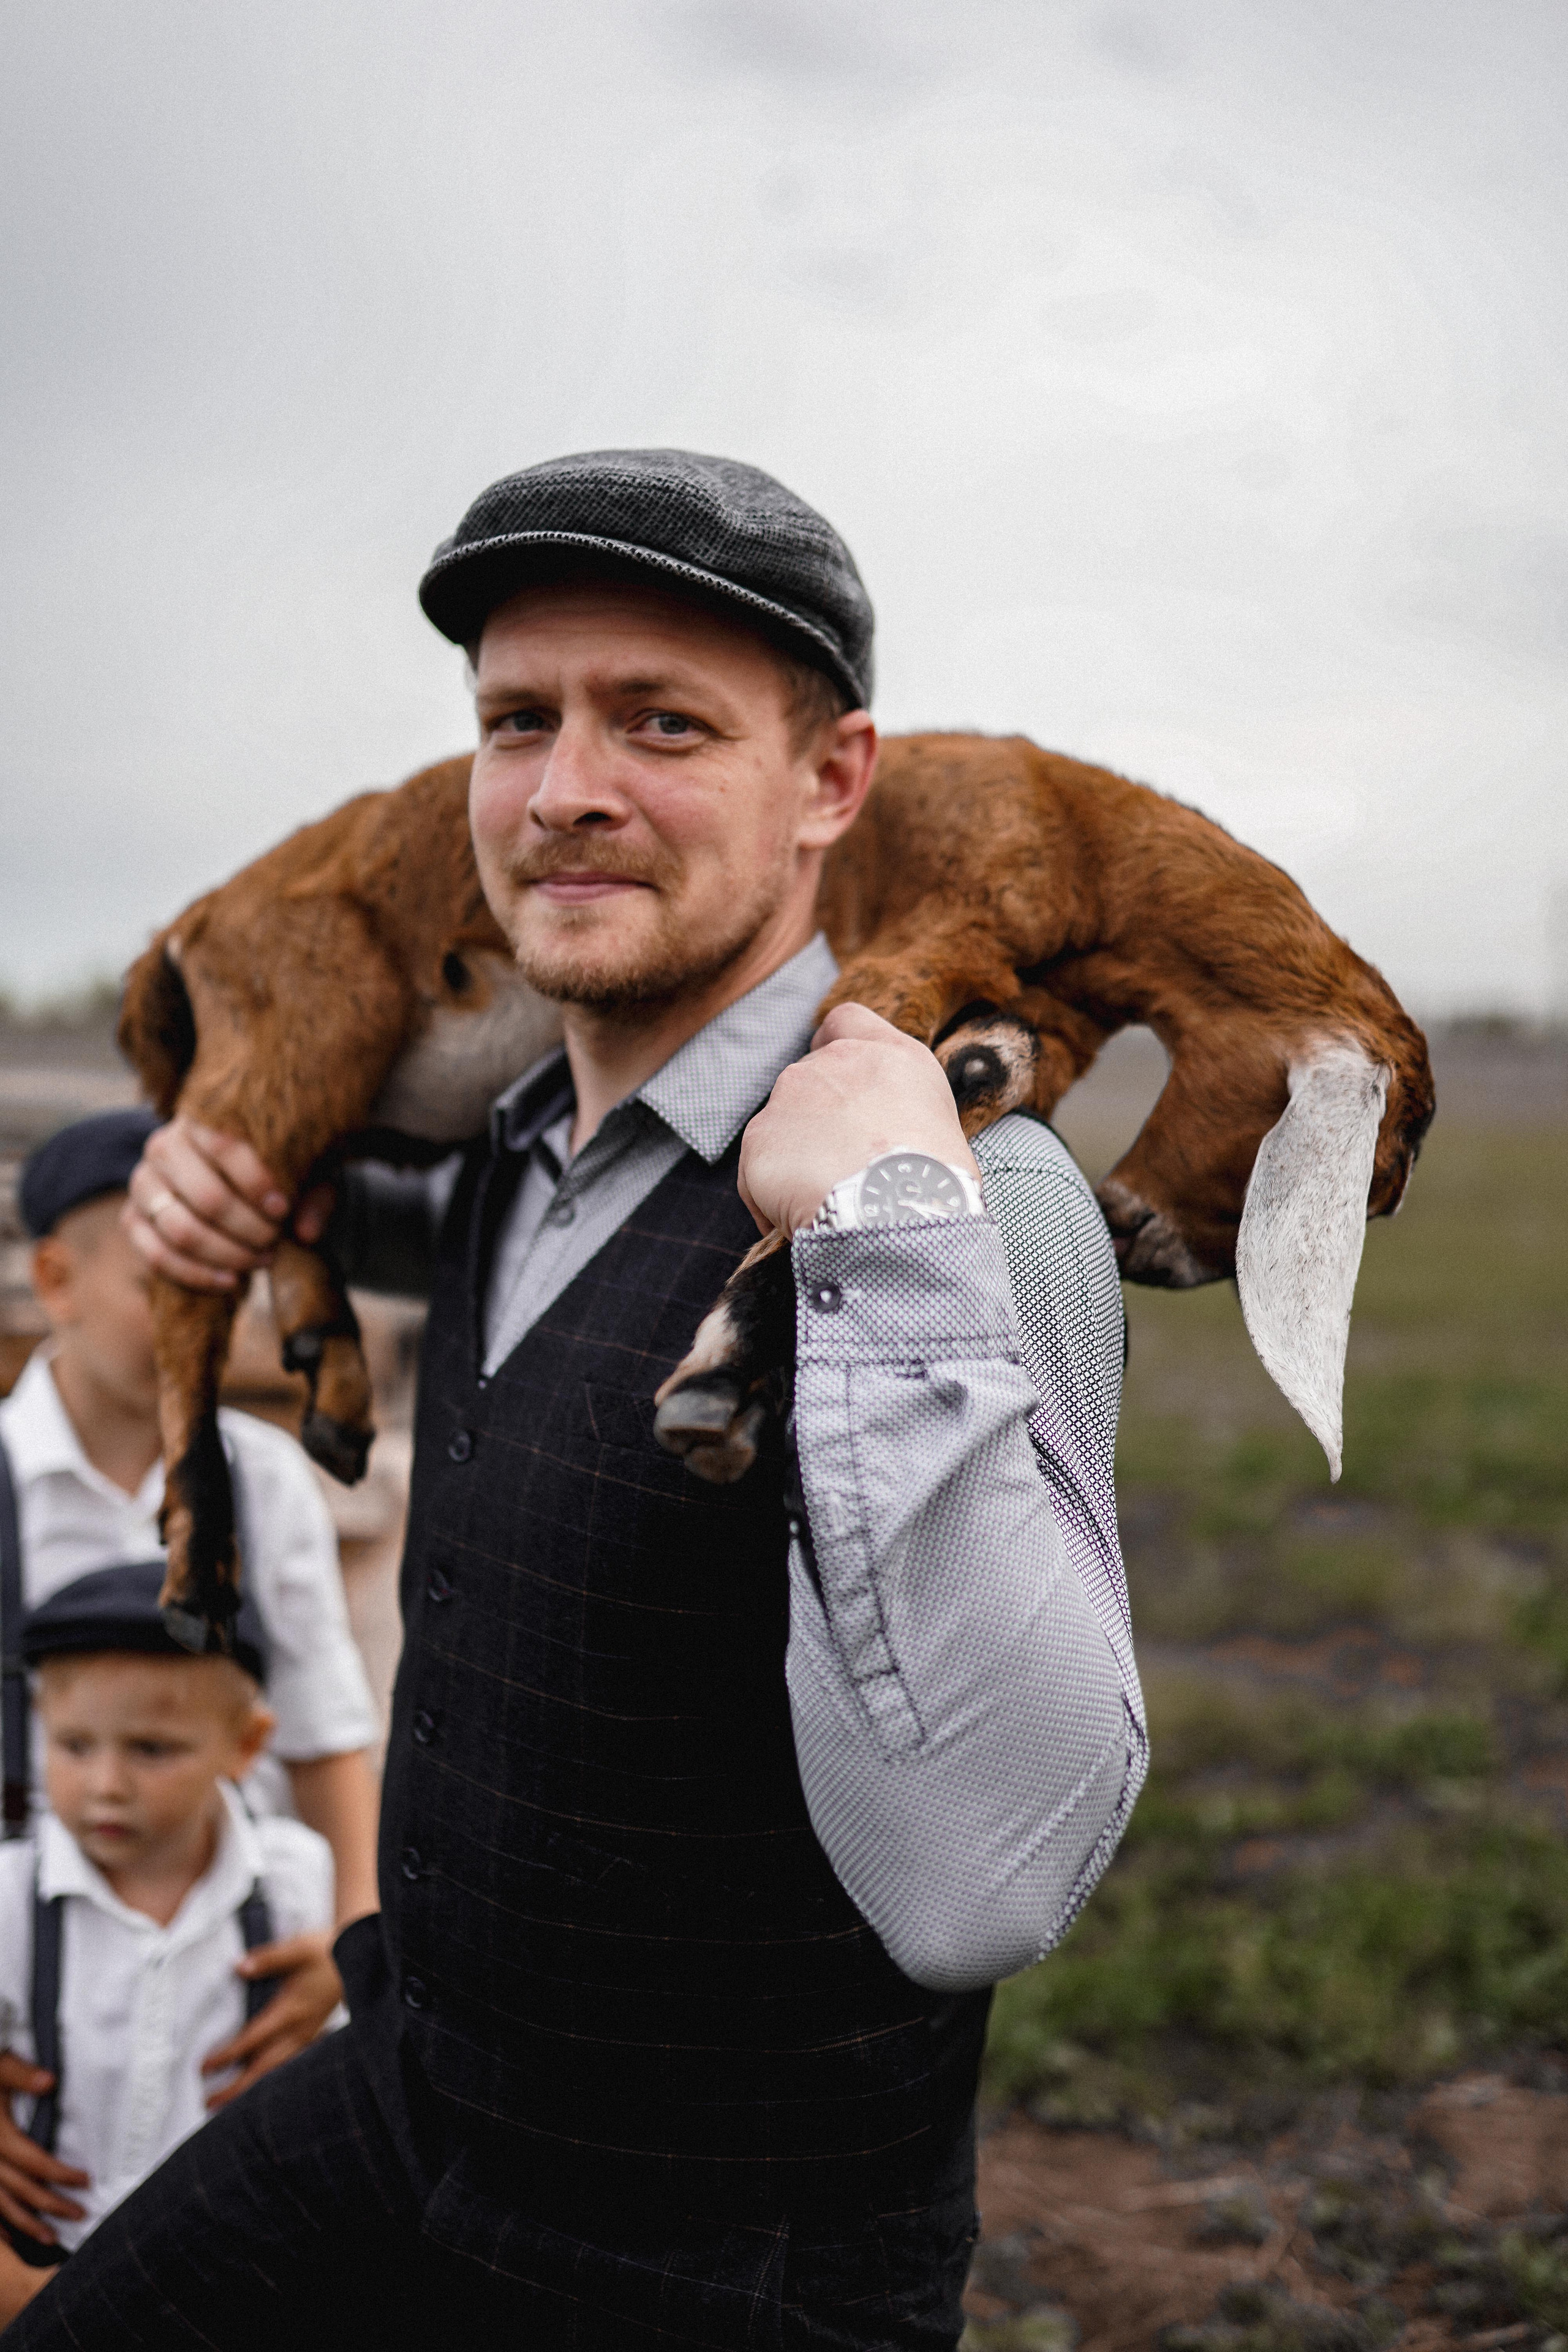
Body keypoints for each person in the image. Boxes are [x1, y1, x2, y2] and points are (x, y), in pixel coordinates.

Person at [9, 450, 1148, 2349]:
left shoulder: (978, 1201)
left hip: (715, 2249)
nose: (565, 790)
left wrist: (882, 1226)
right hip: (413, 2096)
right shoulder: (509, 1146)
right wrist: (224, 1161)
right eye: (514, 720)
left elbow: (987, 1880)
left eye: (664, 723)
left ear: (832, 782)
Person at [0, 1112, 379, 2252]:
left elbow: (322, 1736)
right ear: (56, 1280)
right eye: (168, 1284)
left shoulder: (261, 1482)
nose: (213, 1323)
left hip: (229, 1963)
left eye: (233, 1287)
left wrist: (348, 1945)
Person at [0, 1562, 333, 2321]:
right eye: (74, 1746)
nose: (106, 1784)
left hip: (232, 2276)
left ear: (246, 1746)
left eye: (151, 1751)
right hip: (42, 2269)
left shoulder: (289, 1883)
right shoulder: (12, 1895)